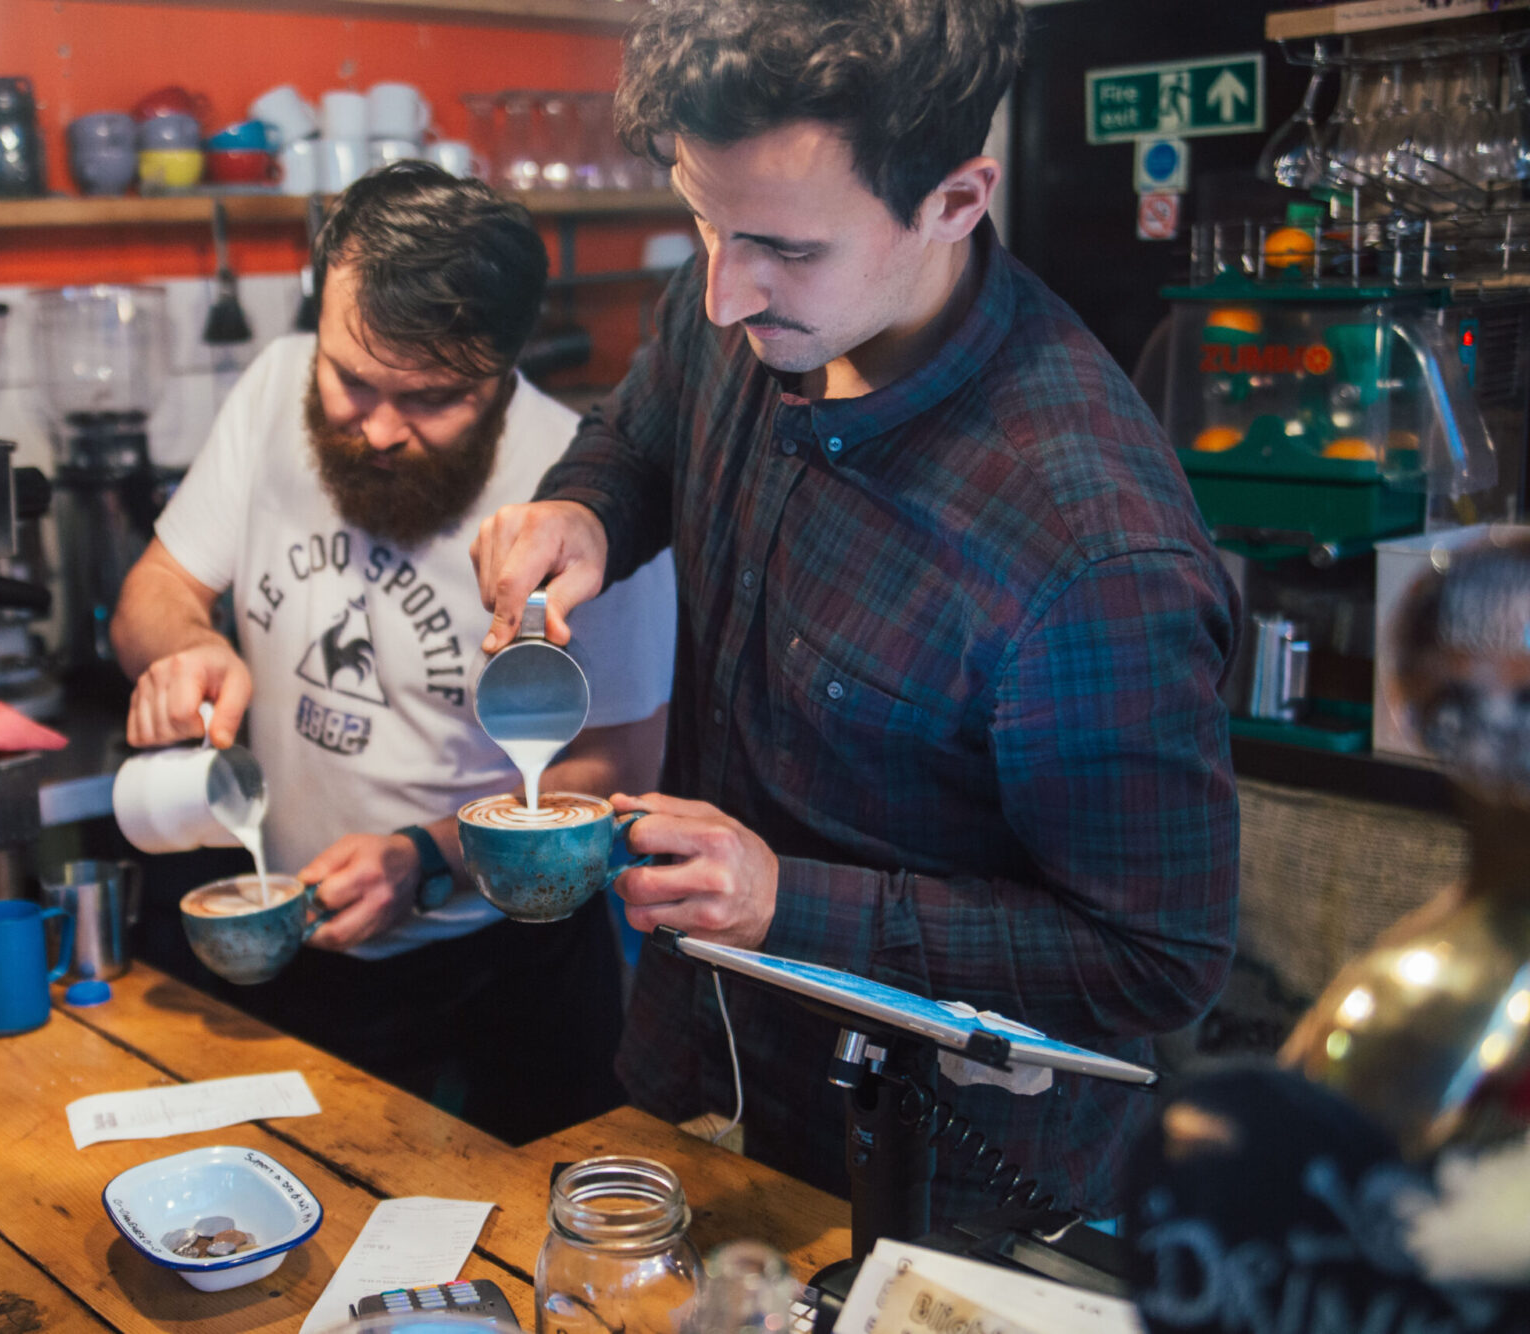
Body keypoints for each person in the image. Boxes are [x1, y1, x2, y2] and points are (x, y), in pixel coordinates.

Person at [469, 0, 1239, 1223]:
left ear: (953, 199)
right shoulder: (741, 289)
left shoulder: (1087, 547)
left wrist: (789, 903)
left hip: (933, 1177)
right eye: (700, 219)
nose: (722, 292)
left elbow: (1157, 958)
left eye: (782, 247)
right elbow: (639, 436)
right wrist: (587, 512)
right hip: (696, 1068)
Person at [109, 164, 677, 1144]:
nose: (373, 427)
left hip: (502, 964)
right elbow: (150, 595)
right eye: (351, 380)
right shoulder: (273, 390)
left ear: (502, 366)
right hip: (290, 943)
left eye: (428, 399)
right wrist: (184, 648)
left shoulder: (577, 503)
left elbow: (619, 766)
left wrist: (425, 856)